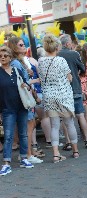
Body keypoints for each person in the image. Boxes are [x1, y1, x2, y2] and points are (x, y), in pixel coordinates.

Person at [38, 34, 80, 162]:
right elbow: (69, 77)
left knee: (54, 126)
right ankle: (75, 151)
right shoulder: (61, 60)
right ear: (57, 48)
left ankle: (56, 154)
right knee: (69, 123)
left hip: (49, 96)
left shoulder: (41, 61)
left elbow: (41, 78)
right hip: (63, 95)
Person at [0, 44, 34, 175]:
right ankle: (6, 163)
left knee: (23, 134)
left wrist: (27, 86)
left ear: (10, 57)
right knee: (8, 136)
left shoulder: (17, 70)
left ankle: (24, 158)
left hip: (21, 106)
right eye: (0, 56)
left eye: (5, 55)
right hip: (7, 108)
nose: (2, 58)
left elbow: (27, 84)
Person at [59, 33, 87, 148]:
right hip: (75, 87)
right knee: (80, 115)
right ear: (68, 43)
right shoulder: (74, 54)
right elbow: (83, 69)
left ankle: (68, 142)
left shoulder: (57, 55)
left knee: (66, 118)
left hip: (62, 90)